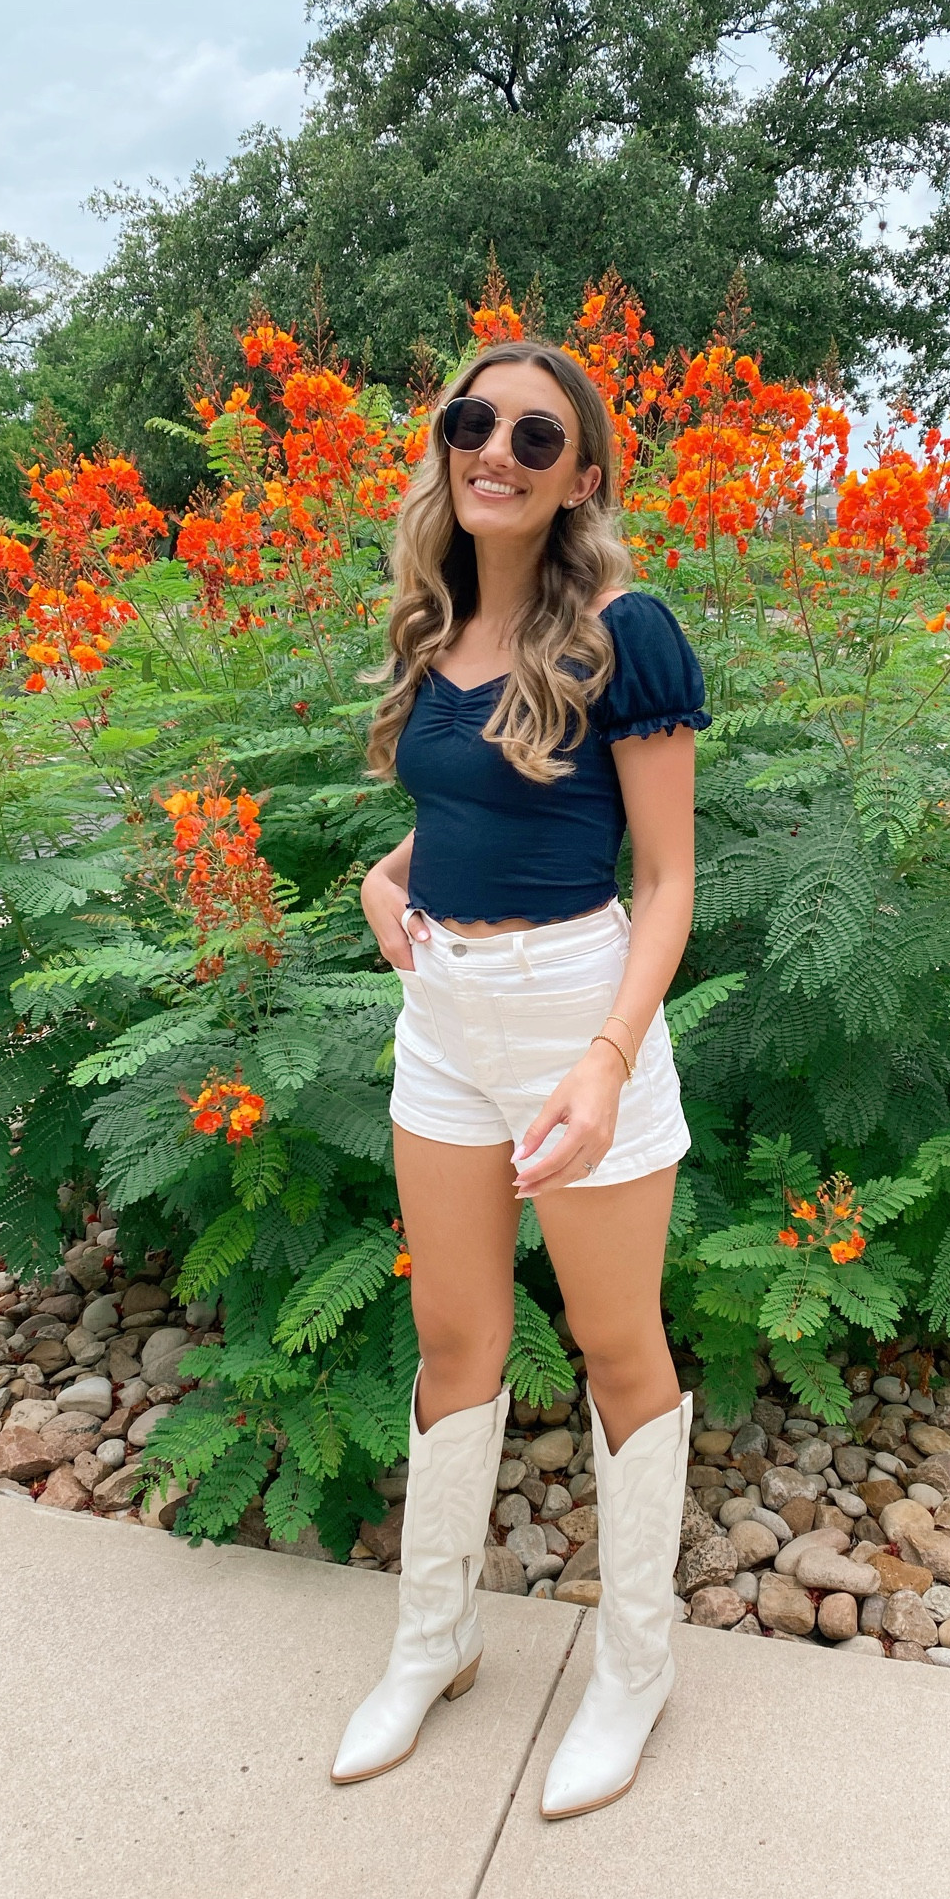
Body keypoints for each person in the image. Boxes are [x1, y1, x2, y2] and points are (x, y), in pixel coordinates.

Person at [329, 339, 709, 1819]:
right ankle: (437, 1644)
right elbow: (458, 820)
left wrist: (609, 1060)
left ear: (581, 477)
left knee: (617, 1345)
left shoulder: (630, 632)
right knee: (453, 1337)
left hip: (576, 1010)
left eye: (533, 436)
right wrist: (385, 883)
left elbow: (669, 878)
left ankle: (636, 1663)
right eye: (470, 422)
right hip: (447, 1019)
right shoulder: (439, 629)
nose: (494, 449)